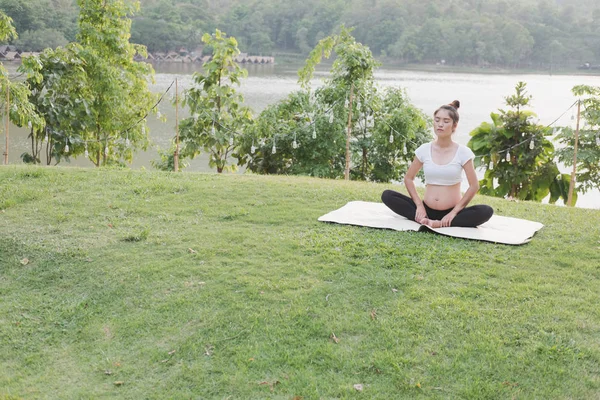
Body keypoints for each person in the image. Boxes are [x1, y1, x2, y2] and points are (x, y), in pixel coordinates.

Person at [382, 100, 493, 228]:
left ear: (454, 126)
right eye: (437, 120)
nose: (440, 124)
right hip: (426, 209)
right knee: (388, 195)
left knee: (485, 211)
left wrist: (454, 212)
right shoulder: (424, 149)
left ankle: (441, 223)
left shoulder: (463, 152)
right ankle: (424, 218)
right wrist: (419, 206)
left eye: (446, 121)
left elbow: (474, 186)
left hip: (452, 212)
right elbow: (408, 178)